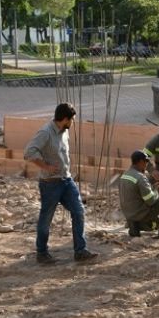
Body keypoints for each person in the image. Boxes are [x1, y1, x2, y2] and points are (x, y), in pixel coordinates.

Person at [24, 103, 98, 264]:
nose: (72, 123)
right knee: (46, 218)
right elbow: (29, 152)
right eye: (71, 120)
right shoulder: (45, 132)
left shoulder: (64, 132)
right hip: (50, 183)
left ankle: (80, 250)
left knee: (78, 211)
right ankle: (42, 253)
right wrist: (45, 166)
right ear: (65, 119)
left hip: (66, 180)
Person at [119, 150, 159, 238]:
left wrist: (151, 187)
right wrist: (156, 189)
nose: (147, 164)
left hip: (129, 214)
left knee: (154, 220)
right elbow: (151, 201)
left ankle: (134, 225)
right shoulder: (140, 177)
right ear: (140, 162)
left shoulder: (125, 175)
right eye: (146, 161)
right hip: (141, 214)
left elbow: (135, 194)